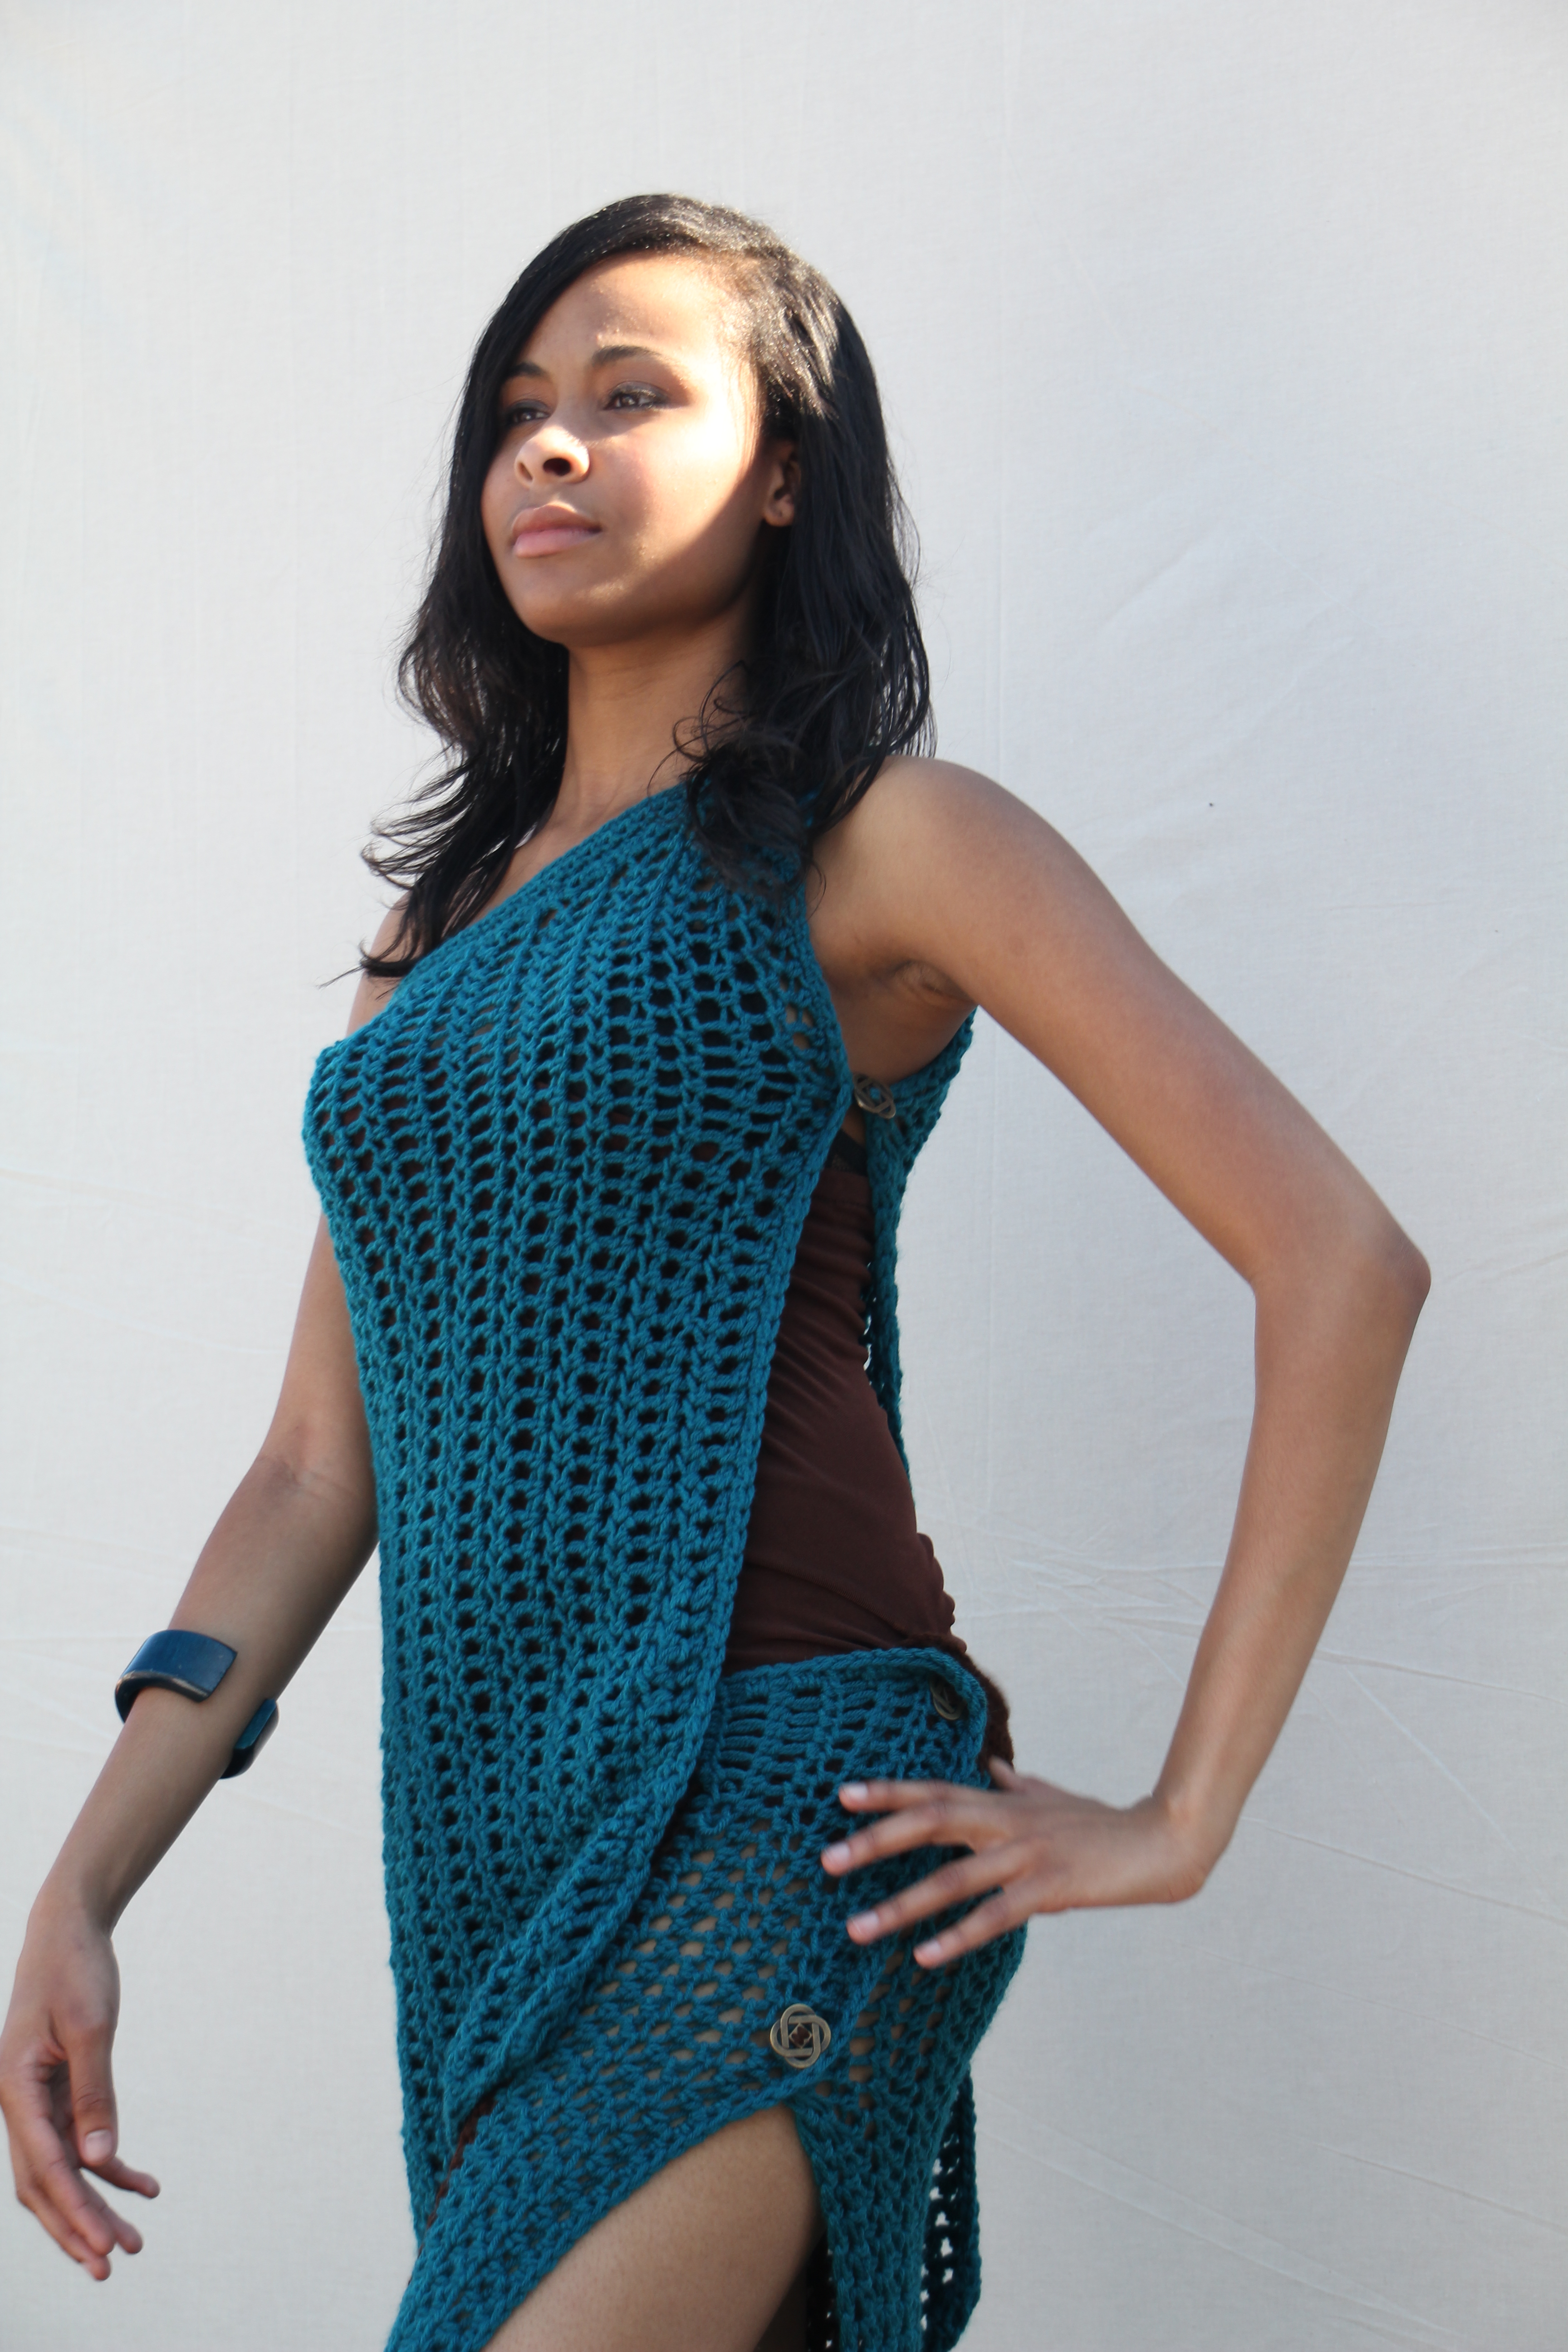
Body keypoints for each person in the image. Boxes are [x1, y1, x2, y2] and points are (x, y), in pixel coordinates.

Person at [0, 194, 1428, 2352]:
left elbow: (1341, 1260)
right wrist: (84, 1884)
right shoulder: (432, 945)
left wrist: (1182, 1814)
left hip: (784, 1798)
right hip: (493, 1858)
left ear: (783, 474)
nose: (552, 447)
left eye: (633, 394)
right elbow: (310, 1468)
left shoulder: (879, 842)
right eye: (518, 410)